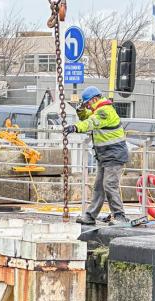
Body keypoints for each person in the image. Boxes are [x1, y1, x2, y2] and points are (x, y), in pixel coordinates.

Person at [63, 86, 130, 226]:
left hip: (114, 154)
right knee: (99, 187)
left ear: (94, 99)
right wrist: (80, 110)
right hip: (105, 155)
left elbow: (91, 122)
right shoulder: (97, 110)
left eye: (87, 103)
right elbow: (86, 116)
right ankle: (90, 216)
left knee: (109, 185)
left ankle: (120, 217)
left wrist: (75, 127)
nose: (87, 106)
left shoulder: (105, 111)